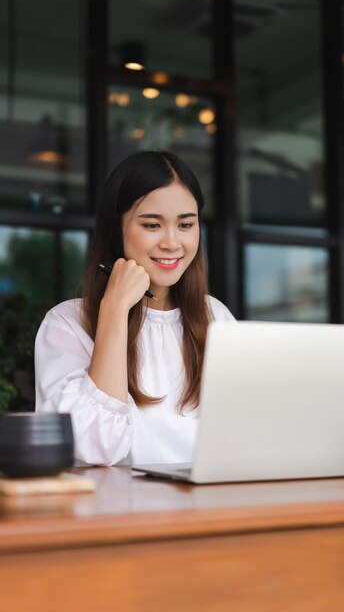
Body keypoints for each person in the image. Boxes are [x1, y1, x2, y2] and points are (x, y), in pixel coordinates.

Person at [35, 151, 235, 465]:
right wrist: (113, 309)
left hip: (209, 507)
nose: (172, 242)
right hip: (120, 510)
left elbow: (242, 435)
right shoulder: (66, 325)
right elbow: (95, 448)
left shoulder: (217, 318)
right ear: (117, 228)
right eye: (152, 225)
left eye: (186, 225)